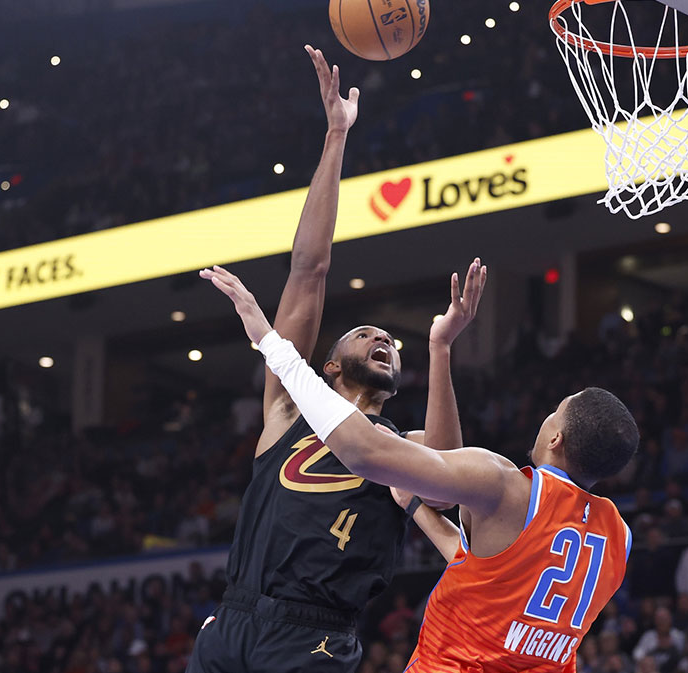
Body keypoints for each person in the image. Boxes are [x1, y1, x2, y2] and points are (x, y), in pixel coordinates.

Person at [187, 48, 486, 673]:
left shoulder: (394, 450)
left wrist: (437, 347)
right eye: (366, 334)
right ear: (329, 365)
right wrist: (335, 135)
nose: (382, 340)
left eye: (390, 344)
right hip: (233, 624)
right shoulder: (287, 408)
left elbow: (449, 468)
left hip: (313, 638)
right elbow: (310, 267)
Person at [204, 266, 641, 671]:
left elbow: (363, 451)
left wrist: (270, 342)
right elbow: (485, 569)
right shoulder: (618, 537)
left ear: (555, 439)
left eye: (555, 412)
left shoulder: (504, 483)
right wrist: (416, 509)